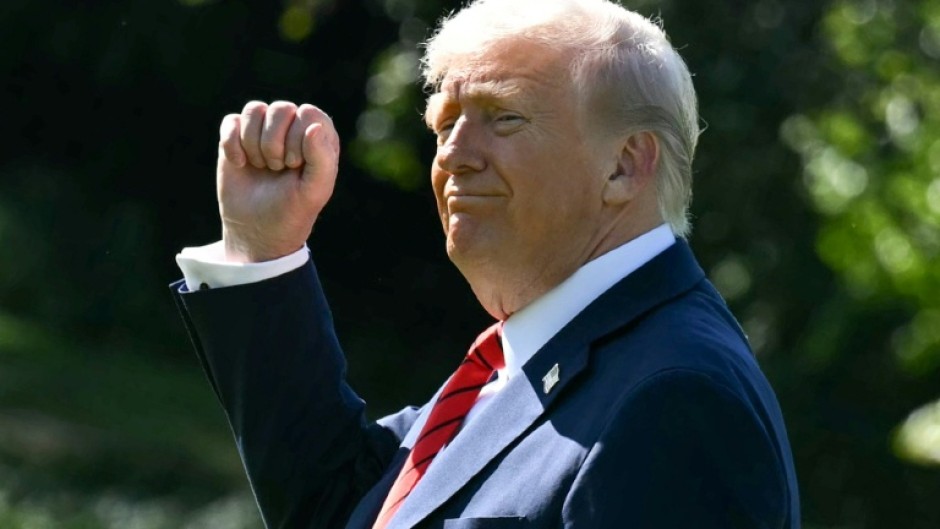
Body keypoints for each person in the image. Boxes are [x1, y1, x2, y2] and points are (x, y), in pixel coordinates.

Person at [171, 0, 801, 527]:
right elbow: (339, 508)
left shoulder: (677, 399)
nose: (456, 155)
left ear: (626, 164)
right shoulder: (533, 355)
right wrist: (263, 249)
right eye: (445, 124)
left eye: (504, 118)